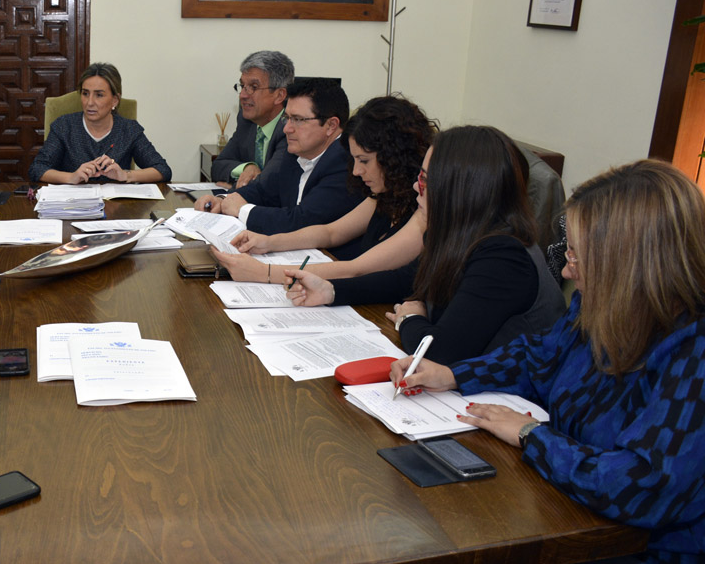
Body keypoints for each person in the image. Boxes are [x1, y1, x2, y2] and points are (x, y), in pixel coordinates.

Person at [390, 159, 705, 564]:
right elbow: (540, 356)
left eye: (581, 253)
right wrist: (454, 373)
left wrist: (533, 437)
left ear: (633, 262)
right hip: (590, 520)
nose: (569, 267)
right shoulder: (604, 302)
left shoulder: (694, 351)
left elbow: (643, 486)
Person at [287, 126, 565, 365]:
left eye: (426, 181)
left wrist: (409, 320)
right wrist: (332, 291)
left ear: (459, 191)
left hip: (510, 405)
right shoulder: (459, 234)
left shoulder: (504, 257)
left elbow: (438, 353)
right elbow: (405, 281)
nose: (414, 188)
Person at [214, 95, 434, 286]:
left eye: (364, 161)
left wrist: (266, 273)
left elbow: (355, 269)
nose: (356, 171)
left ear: (394, 158)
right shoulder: (385, 196)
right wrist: (268, 242)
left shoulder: (425, 210)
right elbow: (330, 232)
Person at [195, 78, 362, 239]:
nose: (287, 129)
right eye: (286, 118)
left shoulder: (346, 162)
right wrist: (222, 200)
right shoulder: (296, 154)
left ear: (331, 125)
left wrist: (242, 210)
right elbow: (263, 191)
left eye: (297, 120)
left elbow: (301, 221)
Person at [28, 62, 172, 184]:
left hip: (117, 210)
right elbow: (37, 169)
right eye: (85, 93)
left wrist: (125, 175)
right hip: (73, 208)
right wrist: (71, 177)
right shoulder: (64, 126)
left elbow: (163, 170)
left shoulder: (129, 129)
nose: (89, 102)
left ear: (115, 100)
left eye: (99, 95)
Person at [210, 50, 294, 187]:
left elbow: (270, 185)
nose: (242, 95)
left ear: (279, 95)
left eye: (253, 87)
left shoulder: (290, 128)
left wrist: (234, 187)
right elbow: (217, 167)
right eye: (243, 86)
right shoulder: (247, 122)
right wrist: (247, 168)